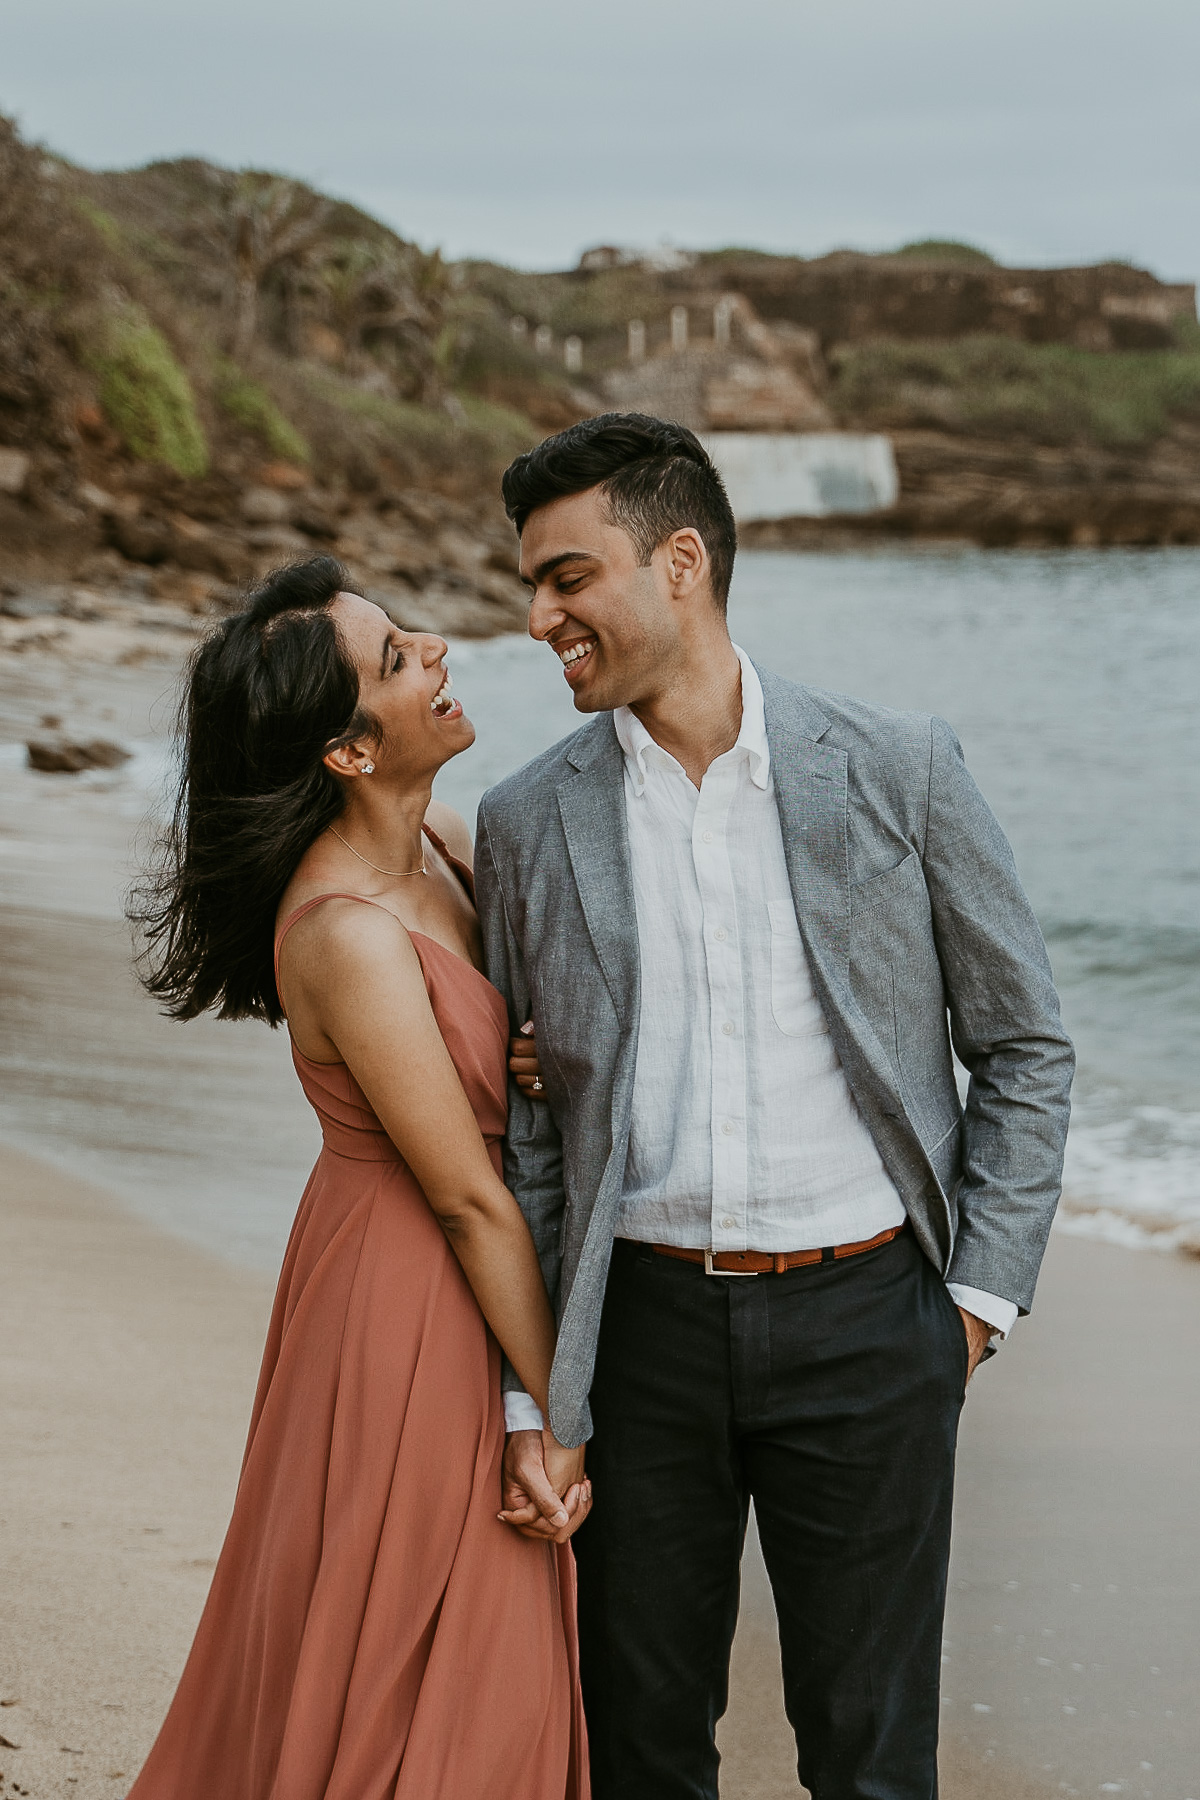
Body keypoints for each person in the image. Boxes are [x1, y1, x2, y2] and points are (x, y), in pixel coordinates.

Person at [474, 414, 1076, 1800]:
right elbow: (537, 1136)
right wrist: (536, 1391)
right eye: (532, 583)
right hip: (639, 1334)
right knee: (641, 1752)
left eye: (569, 576)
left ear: (679, 561)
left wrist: (974, 1308)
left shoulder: (897, 764)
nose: (538, 614)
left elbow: (1024, 1041)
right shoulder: (525, 822)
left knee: (870, 1763)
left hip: (872, 1321)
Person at [128, 556, 589, 1800]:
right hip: (408, 1296)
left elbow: (496, 1055)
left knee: (437, 1638)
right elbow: (464, 1194)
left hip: (462, 1264)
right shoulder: (342, 934)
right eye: (397, 659)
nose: (439, 649)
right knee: (424, 1633)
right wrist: (561, 1411)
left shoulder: (442, 838)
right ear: (343, 752)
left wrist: (530, 1057)